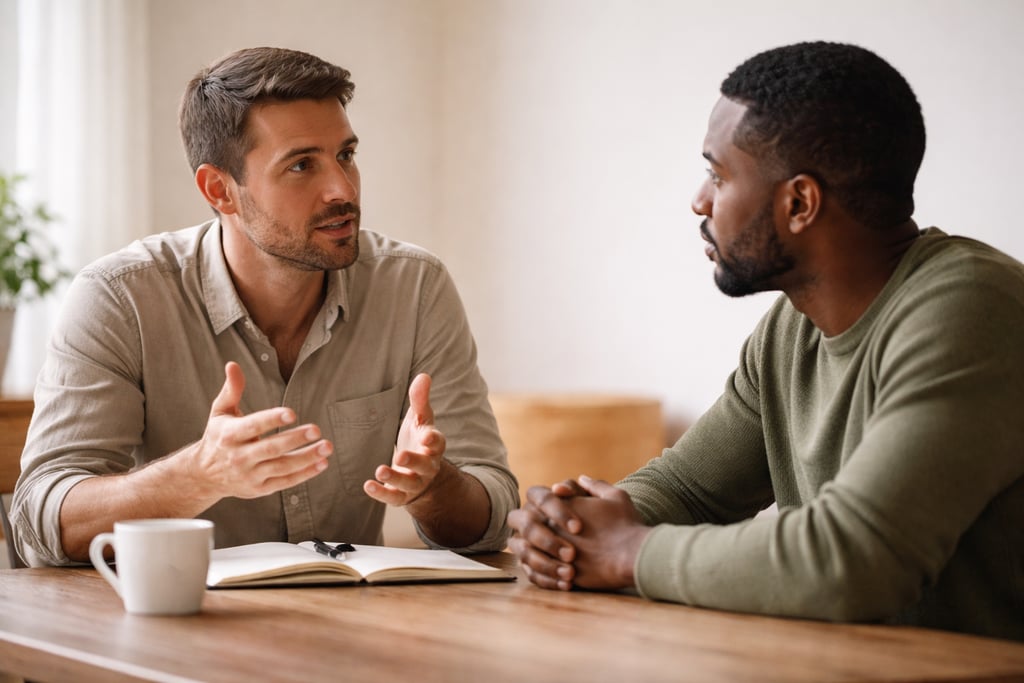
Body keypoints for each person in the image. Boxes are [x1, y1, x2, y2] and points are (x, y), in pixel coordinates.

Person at [507, 41, 1024, 641]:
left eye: (717, 173)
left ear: (799, 203)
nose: (698, 200)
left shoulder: (972, 310)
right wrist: (571, 530)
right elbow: (688, 489)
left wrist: (630, 551)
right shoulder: (791, 328)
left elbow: (849, 561)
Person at [11, 46, 518, 567]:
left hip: (351, 631)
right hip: (169, 630)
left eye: (345, 155)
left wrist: (434, 488)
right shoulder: (120, 298)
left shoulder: (414, 287)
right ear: (220, 190)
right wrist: (198, 474)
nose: (342, 190)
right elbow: (40, 521)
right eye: (301, 165)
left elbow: (491, 516)